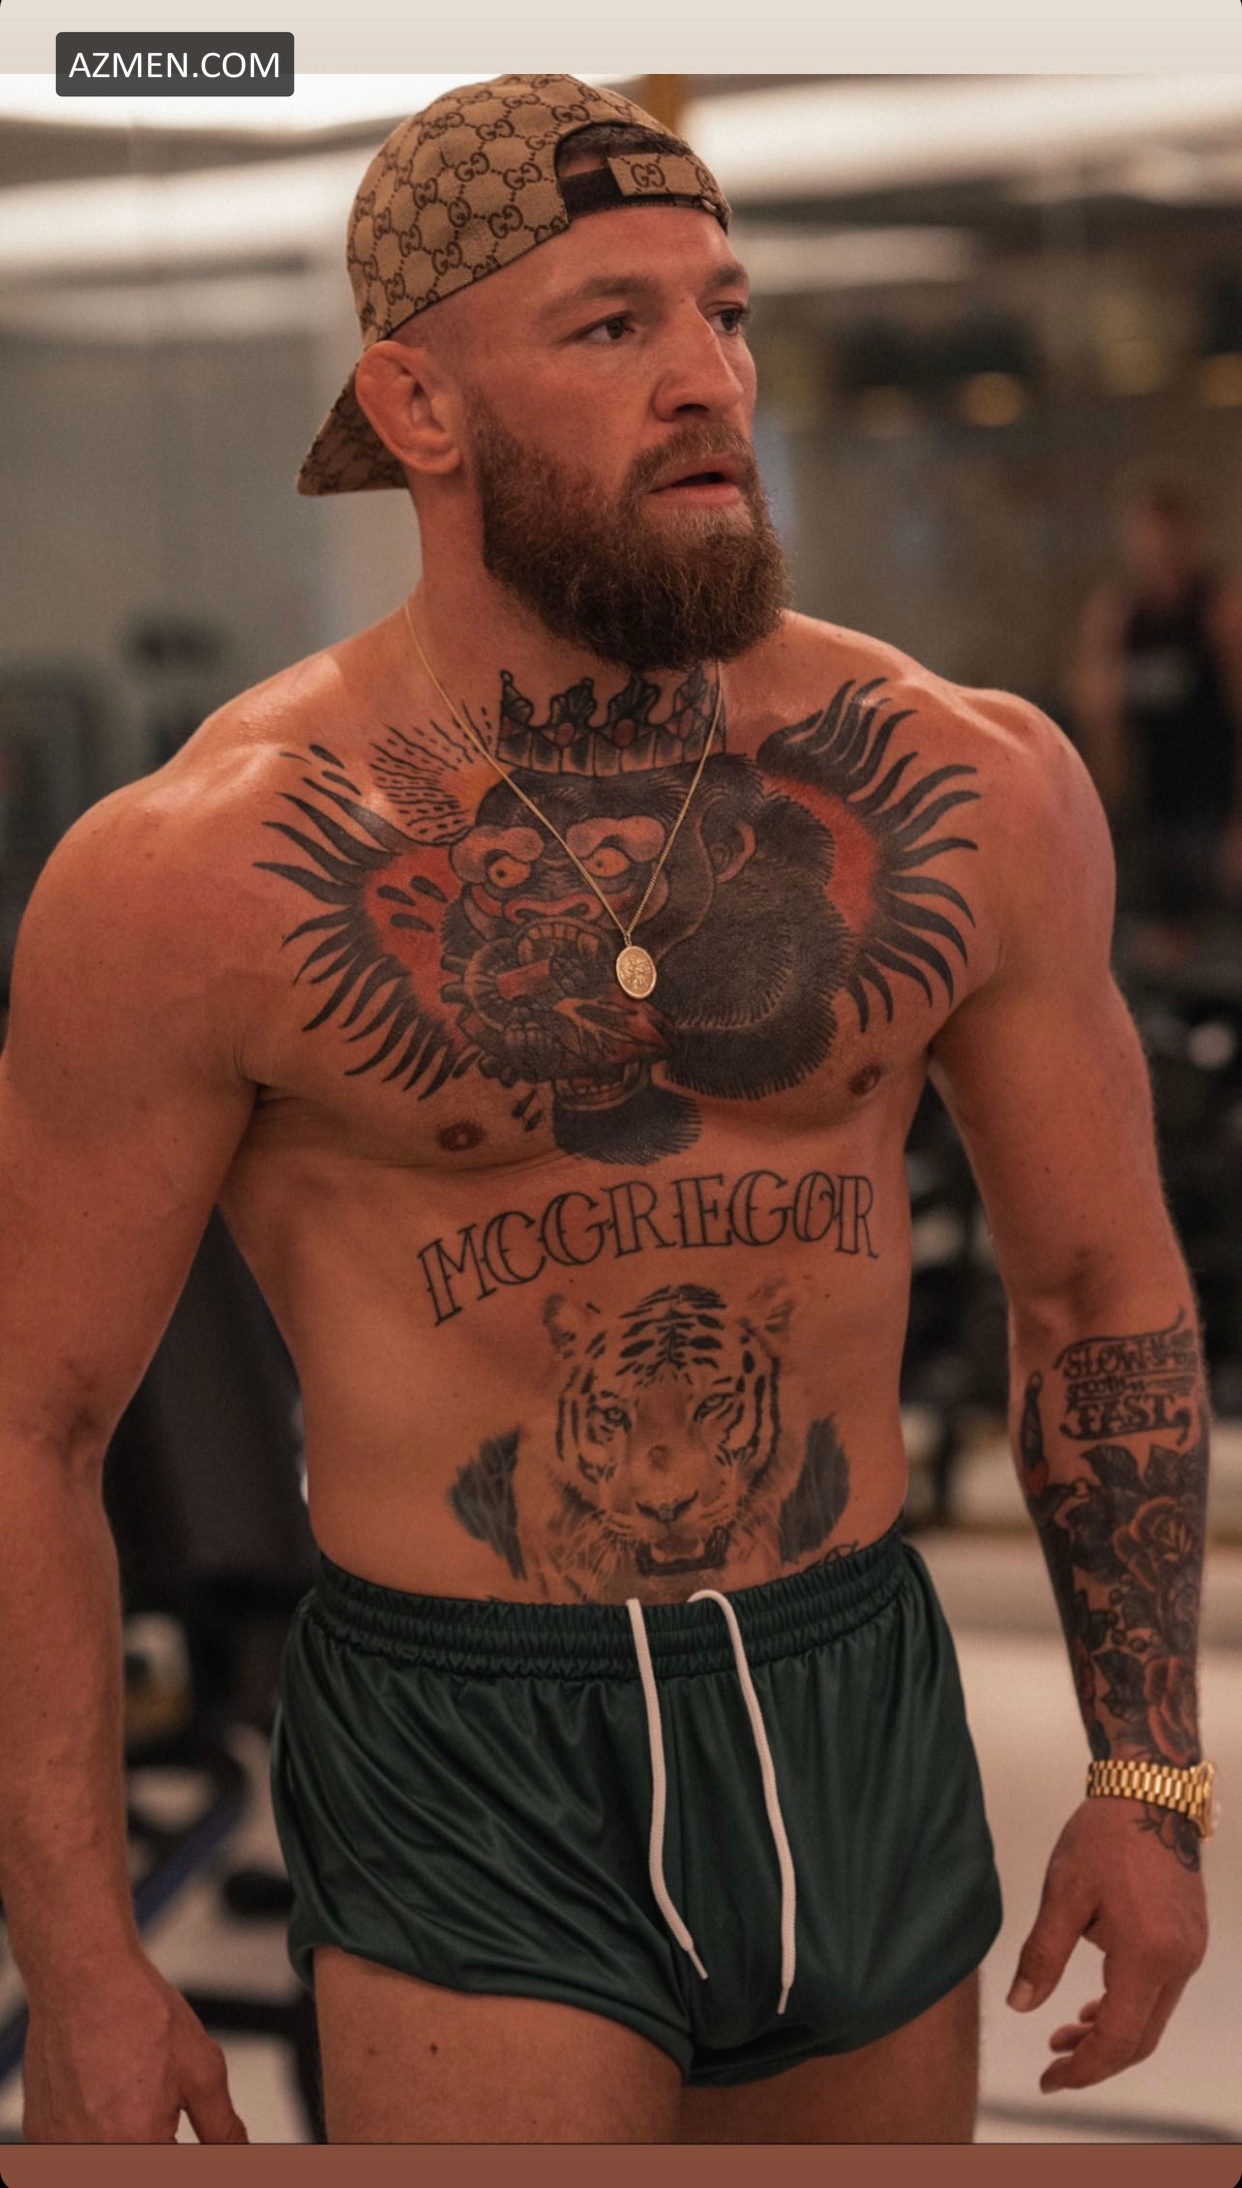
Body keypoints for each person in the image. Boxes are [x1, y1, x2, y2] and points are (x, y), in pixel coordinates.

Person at [0, 74, 1214, 2146]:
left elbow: (1099, 1287)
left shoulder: (966, 784)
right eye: (611, 324)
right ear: (417, 404)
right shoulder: (197, 871)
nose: (706, 377)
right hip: (472, 1736)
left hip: (851, 1677)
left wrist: (1149, 1771)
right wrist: (83, 1952)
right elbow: (32, 1423)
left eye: (724, 311)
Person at [1070, 479, 1242, 961]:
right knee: (1158, 952)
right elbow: (1096, 717)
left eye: (1167, 535)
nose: (1157, 549)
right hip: (1151, 809)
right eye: (1146, 536)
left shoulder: (1221, 611)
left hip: (1212, 809)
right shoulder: (1120, 615)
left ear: (1191, 536)